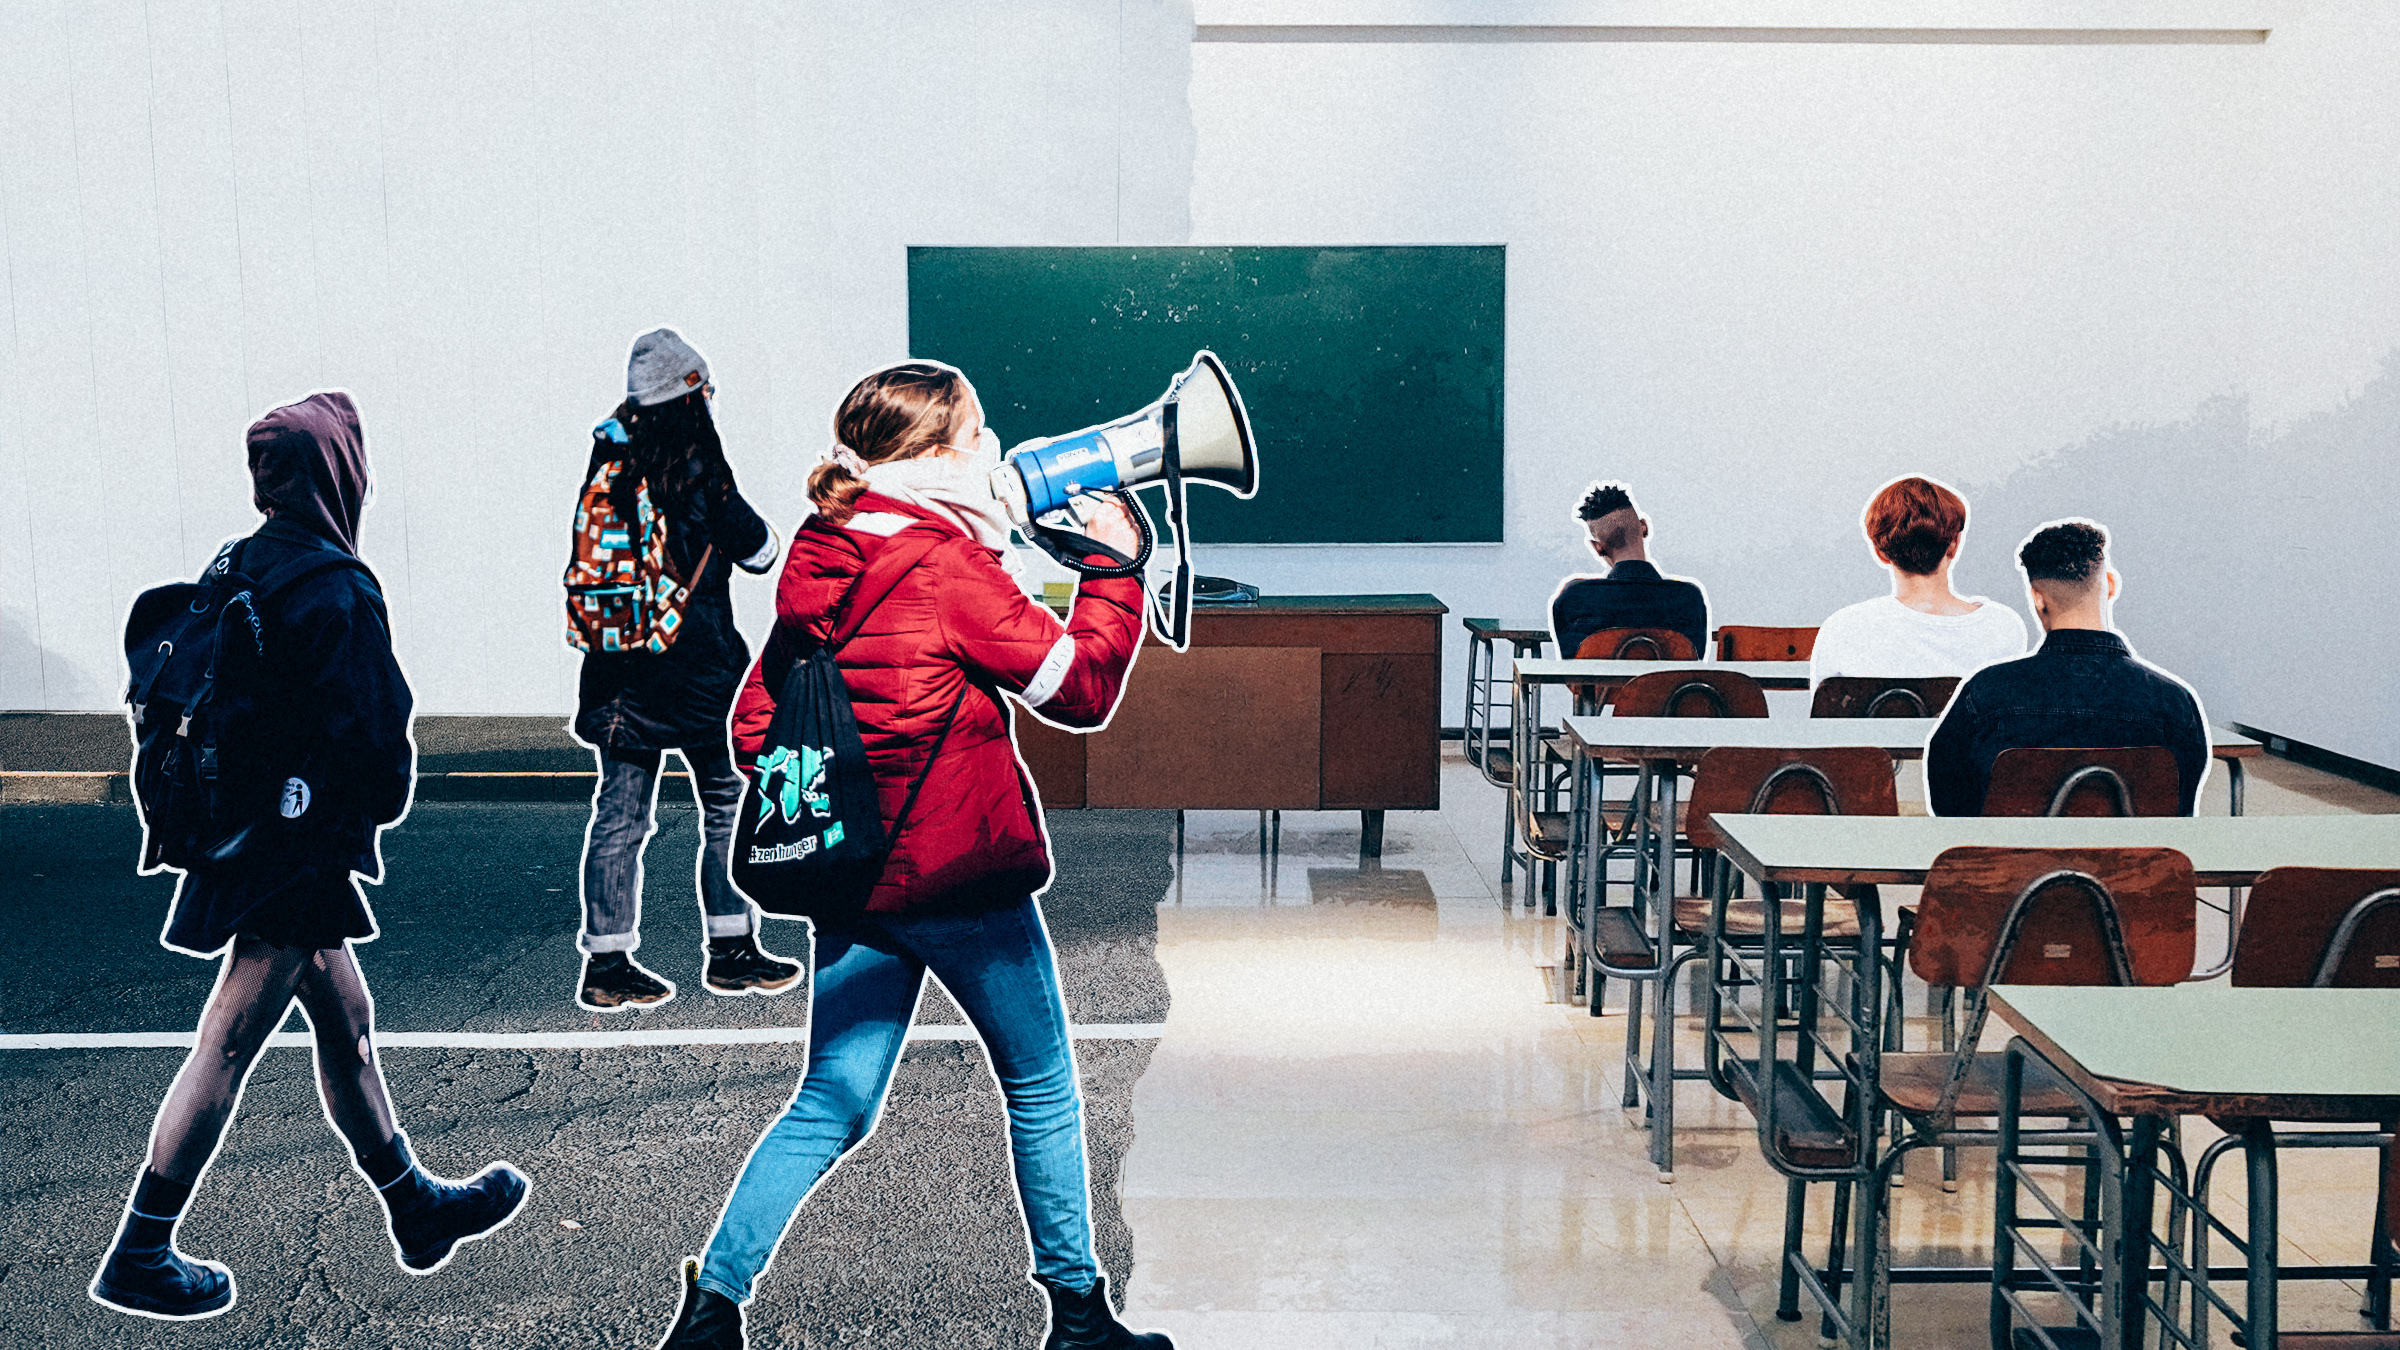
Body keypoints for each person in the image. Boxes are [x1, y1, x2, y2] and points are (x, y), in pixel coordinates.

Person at [653, 361, 1173, 1350]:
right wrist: (1114, 570)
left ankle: (712, 1307)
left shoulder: (826, 551)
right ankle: (1077, 1317)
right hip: (960, 876)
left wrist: (846, 799)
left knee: (833, 1102)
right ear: (935, 456)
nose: (989, 446)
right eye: (974, 432)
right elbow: (1077, 689)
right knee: (1042, 1087)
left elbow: (756, 717)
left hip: (851, 878)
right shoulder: (945, 569)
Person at [90, 392, 526, 1320]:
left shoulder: (237, 563)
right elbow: (373, 732)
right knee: (230, 1038)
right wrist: (359, 808)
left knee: (348, 1019)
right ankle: (140, 1250)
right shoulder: (335, 583)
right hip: (295, 845)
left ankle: (414, 1207)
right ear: (338, 471)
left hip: (244, 830)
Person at [571, 328, 795, 1011]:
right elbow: (760, 552)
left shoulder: (606, 460)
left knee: (620, 815)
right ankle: (731, 950)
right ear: (692, 396)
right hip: (699, 666)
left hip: (621, 670)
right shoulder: (698, 464)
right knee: (725, 805)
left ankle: (607, 963)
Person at [1925, 518, 2210, 816]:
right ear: (2111, 586)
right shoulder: (2175, 703)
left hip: (2013, 862)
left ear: (2038, 600)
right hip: (2134, 863)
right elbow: (2179, 815)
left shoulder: (1983, 694)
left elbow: (1950, 811)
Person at [1809, 475, 2027, 685]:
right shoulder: (2003, 627)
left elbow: (1823, 718)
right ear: (1954, 543)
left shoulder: (1842, 629)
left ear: (1879, 551)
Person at [1548, 481, 1709, 659]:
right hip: (1668, 688)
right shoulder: (1688, 597)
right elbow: (1695, 660)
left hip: (1602, 688)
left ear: (1597, 548)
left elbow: (1571, 669)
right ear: (1644, 527)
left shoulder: (1574, 597)